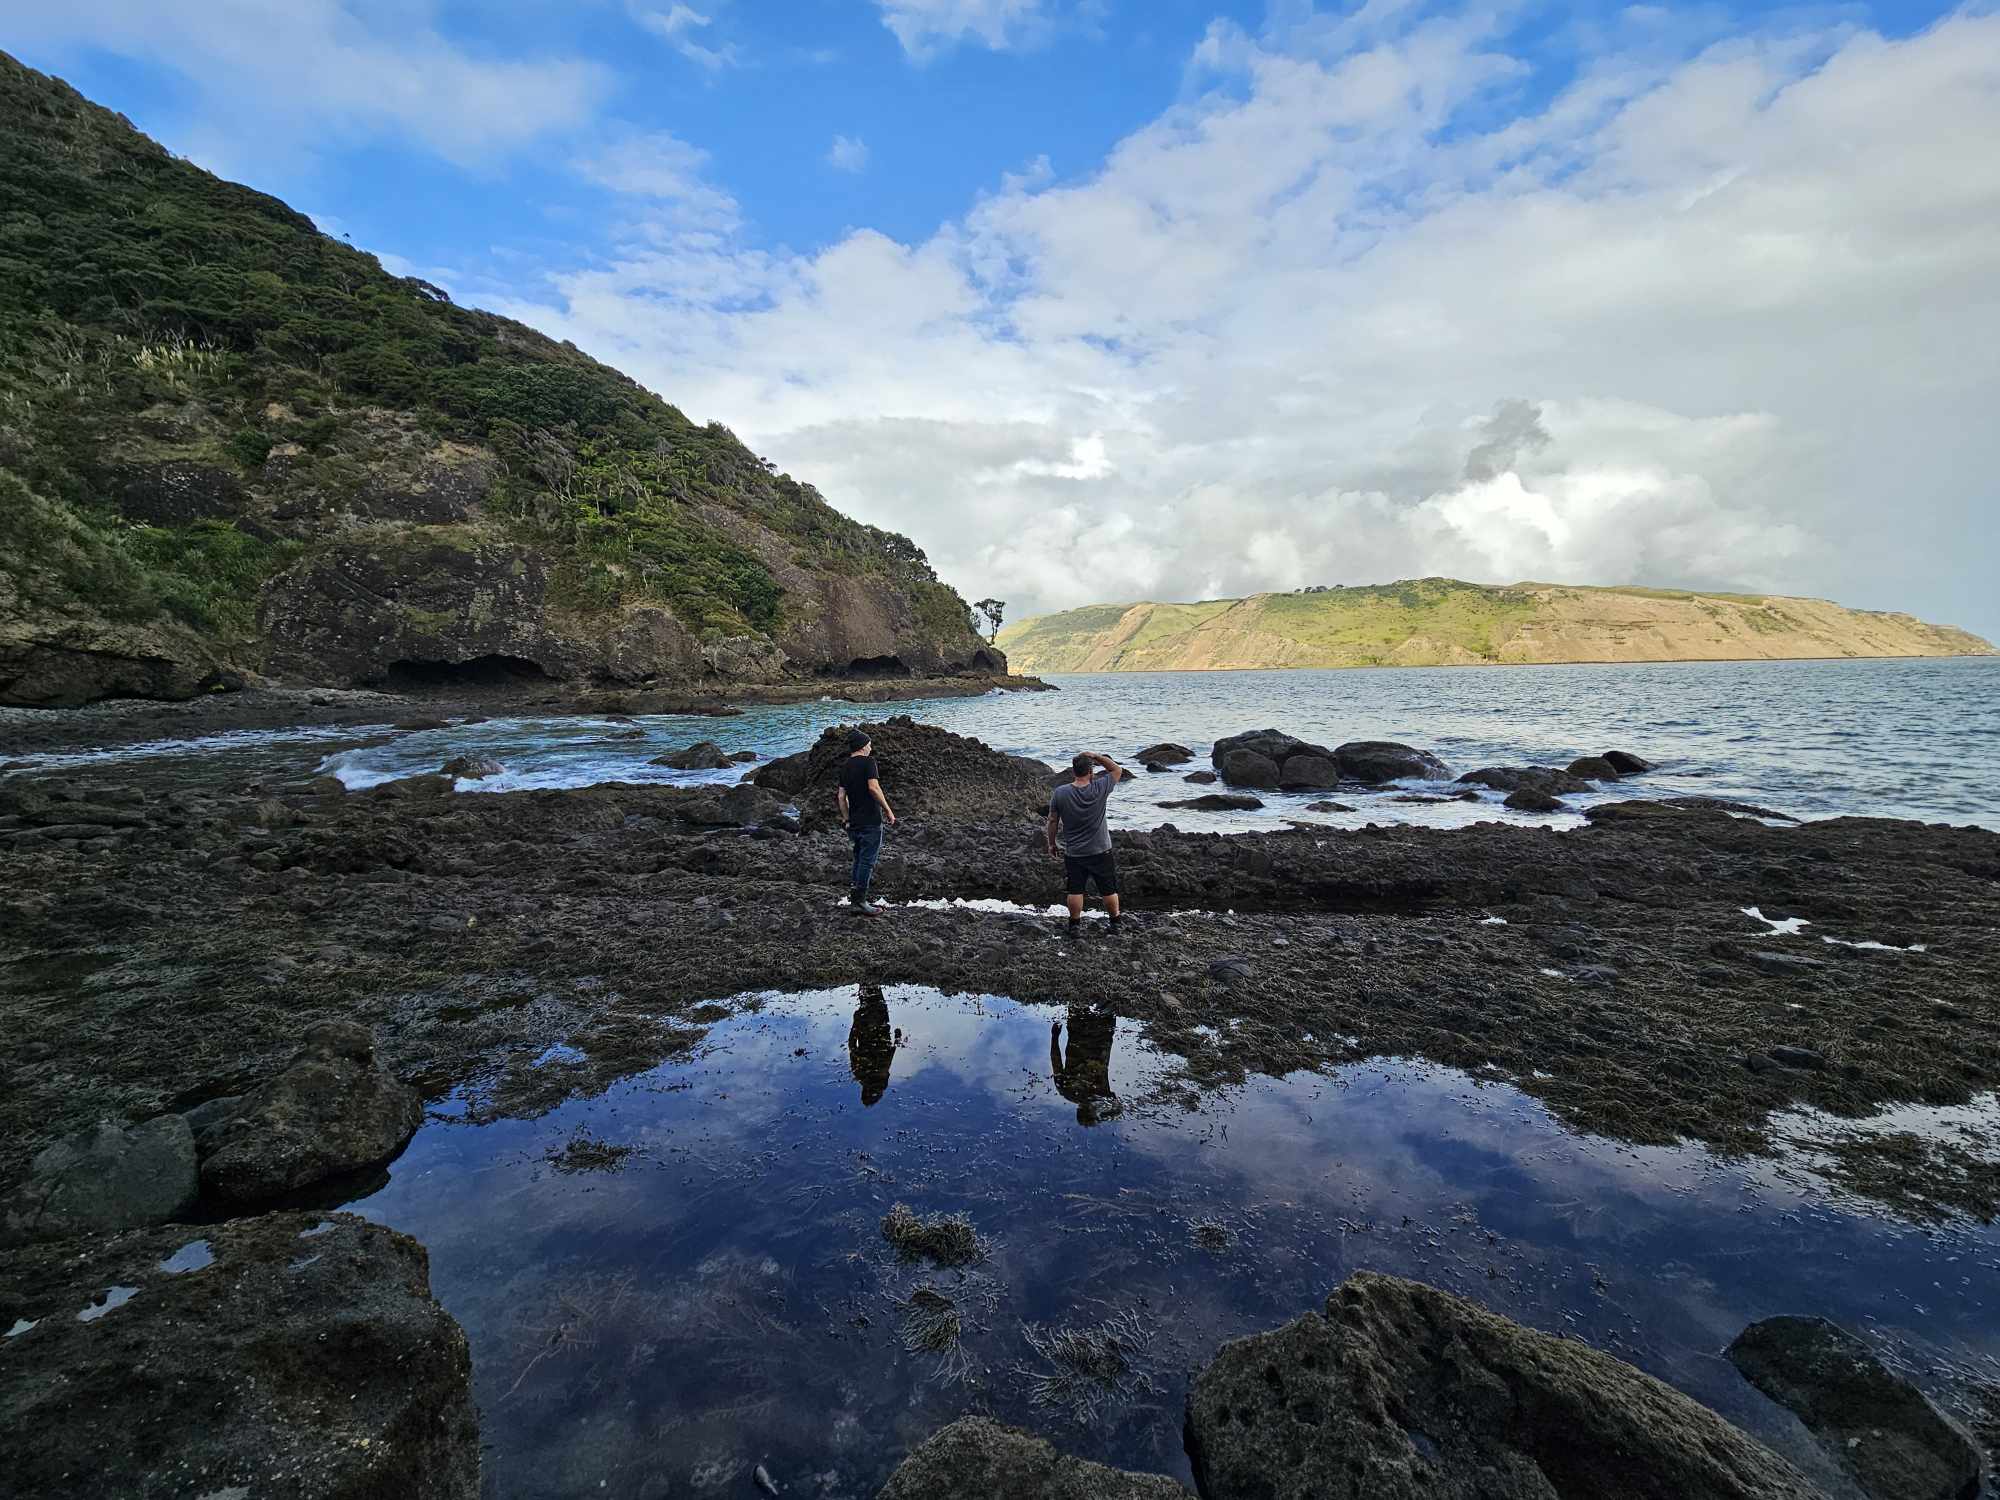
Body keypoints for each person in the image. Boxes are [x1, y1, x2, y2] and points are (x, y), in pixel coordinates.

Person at [1045, 750, 1125, 936]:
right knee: (1108, 889)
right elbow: (1117, 770)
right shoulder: (1100, 787)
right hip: (1101, 850)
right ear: (1090, 771)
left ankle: (1074, 926)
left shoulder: (1061, 793)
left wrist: (1052, 843)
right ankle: (1115, 923)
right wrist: (1096, 757)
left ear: (1074, 771)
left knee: (1075, 890)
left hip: (1075, 851)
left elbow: (1052, 820)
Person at [836, 729, 896, 916]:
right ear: (862, 746)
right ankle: (860, 902)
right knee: (867, 862)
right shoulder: (869, 762)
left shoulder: (845, 766)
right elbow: (873, 788)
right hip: (870, 820)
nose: (871, 747)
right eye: (869, 744)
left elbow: (841, 797)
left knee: (858, 859)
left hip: (854, 822)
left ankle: (856, 900)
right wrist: (888, 810)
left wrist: (846, 819)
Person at [1051, 1005, 1121, 1125]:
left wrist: (1055, 1037)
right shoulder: (1101, 1096)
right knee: (1087, 1000)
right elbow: (1056, 1061)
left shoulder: (1099, 1095)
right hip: (1091, 1033)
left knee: (1087, 1000)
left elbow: (1056, 1062)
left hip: (1093, 1033)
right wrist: (1054, 1037)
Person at [847, 984, 896, 1106]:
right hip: (871, 1025)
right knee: (869, 993)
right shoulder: (862, 1073)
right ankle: (869, 979)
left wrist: (856, 1023)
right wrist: (856, 1023)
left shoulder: (878, 1073)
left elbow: (891, 1050)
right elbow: (852, 1046)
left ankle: (869, 979)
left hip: (875, 1024)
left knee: (872, 994)